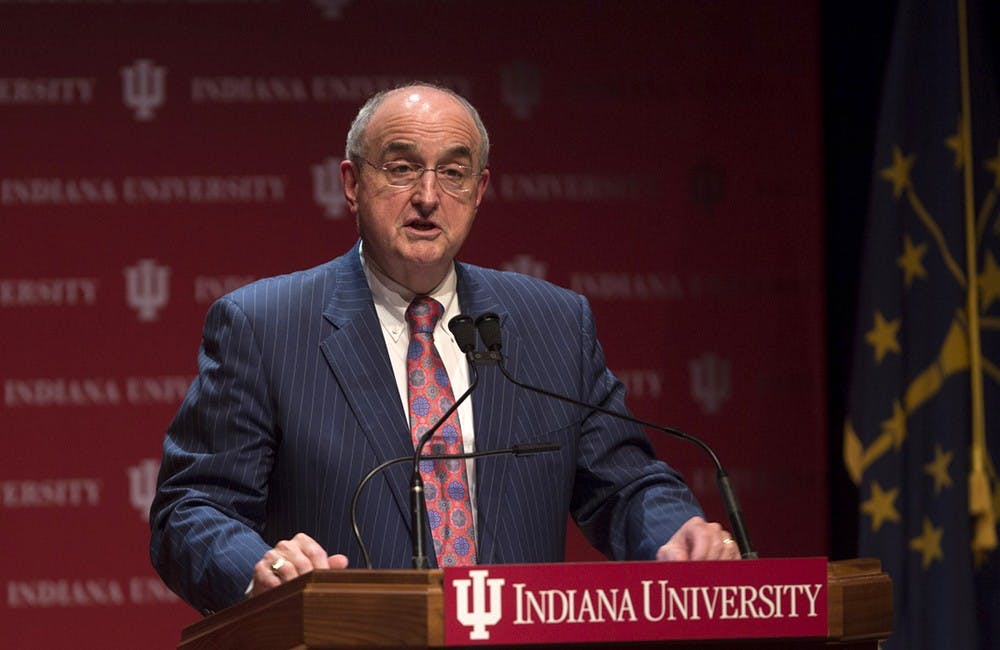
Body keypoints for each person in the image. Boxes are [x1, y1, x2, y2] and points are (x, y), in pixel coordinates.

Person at [150, 83, 740, 616]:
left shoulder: (554, 324)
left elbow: (625, 483)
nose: (429, 197)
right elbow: (192, 509)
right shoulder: (265, 326)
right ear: (353, 184)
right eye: (403, 168)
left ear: (480, 189)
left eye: (453, 173)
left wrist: (677, 531)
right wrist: (259, 570)